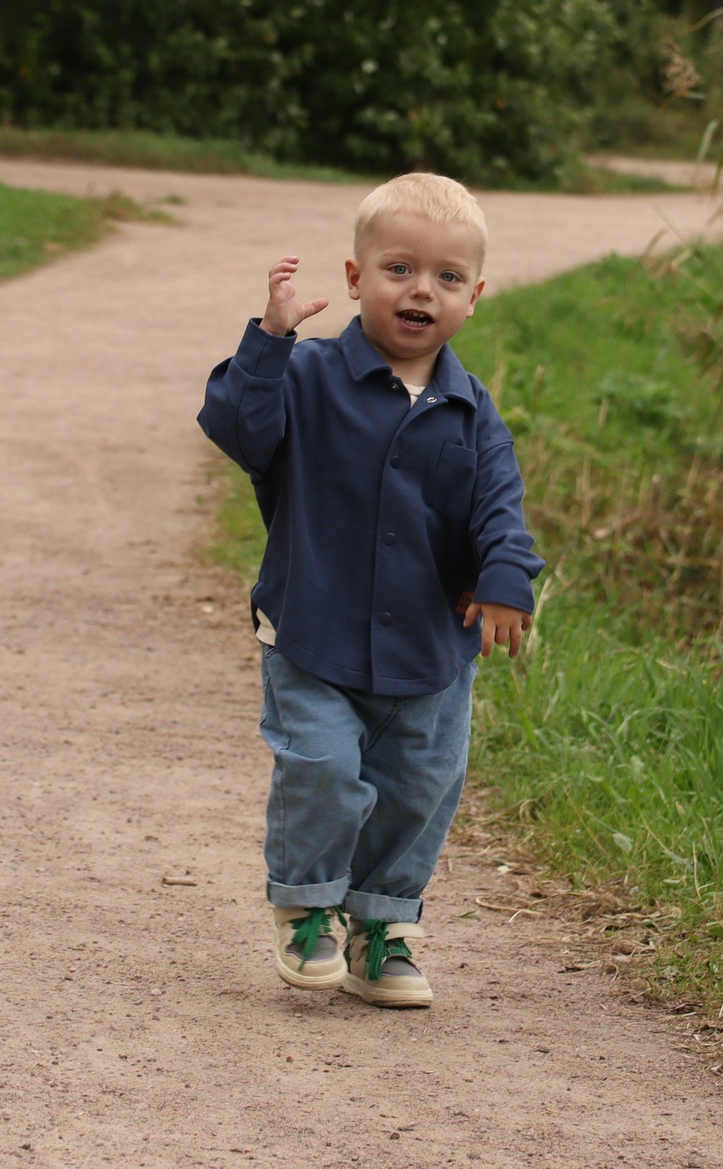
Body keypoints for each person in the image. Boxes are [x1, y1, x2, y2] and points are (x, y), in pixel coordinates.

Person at [198, 172, 541, 1008]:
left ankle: (382, 926)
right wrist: (269, 341)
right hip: (315, 631)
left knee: (419, 787)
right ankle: (308, 905)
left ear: (473, 297)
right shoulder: (306, 376)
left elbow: (500, 507)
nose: (422, 289)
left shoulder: (472, 411)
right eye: (399, 269)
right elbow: (239, 428)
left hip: (429, 650)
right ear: (356, 278)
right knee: (322, 765)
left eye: (447, 276)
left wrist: (505, 579)